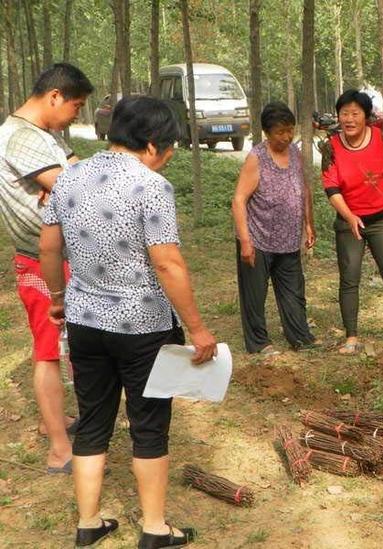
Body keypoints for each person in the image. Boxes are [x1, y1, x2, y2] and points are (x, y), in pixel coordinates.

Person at [39, 96, 216, 548]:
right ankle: (155, 528)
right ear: (153, 144)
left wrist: (58, 300)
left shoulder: (68, 177)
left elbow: (48, 248)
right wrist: (197, 328)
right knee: (149, 425)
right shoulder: (150, 185)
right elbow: (167, 264)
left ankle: (88, 522)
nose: (171, 155)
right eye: (172, 146)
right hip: (143, 328)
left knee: (94, 421)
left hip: (84, 321)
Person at [0, 63, 93, 473]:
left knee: (56, 346)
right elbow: (77, 188)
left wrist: (60, 184)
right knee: (48, 352)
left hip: (58, 255)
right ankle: (59, 449)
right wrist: (63, 185)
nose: (77, 114)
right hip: (41, 260)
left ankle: (50, 420)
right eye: (76, 105)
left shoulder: (44, 136)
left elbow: (79, 174)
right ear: (55, 96)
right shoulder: (20, 138)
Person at [321, 89, 383, 354]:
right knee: (349, 279)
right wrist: (350, 216)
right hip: (349, 220)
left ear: (366, 116)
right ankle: (351, 337)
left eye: (355, 113)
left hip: (382, 220)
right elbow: (330, 186)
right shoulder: (332, 146)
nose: (349, 119)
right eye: (344, 113)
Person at [232, 101, 316, 355]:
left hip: (289, 239)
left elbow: (304, 189)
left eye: (290, 130)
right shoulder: (257, 158)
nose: (287, 136)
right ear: (267, 133)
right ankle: (259, 342)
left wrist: (309, 224)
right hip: (258, 238)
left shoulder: (295, 154)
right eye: (280, 132)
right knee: (255, 295)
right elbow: (238, 200)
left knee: (293, 290)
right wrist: (245, 241)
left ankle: (300, 336)